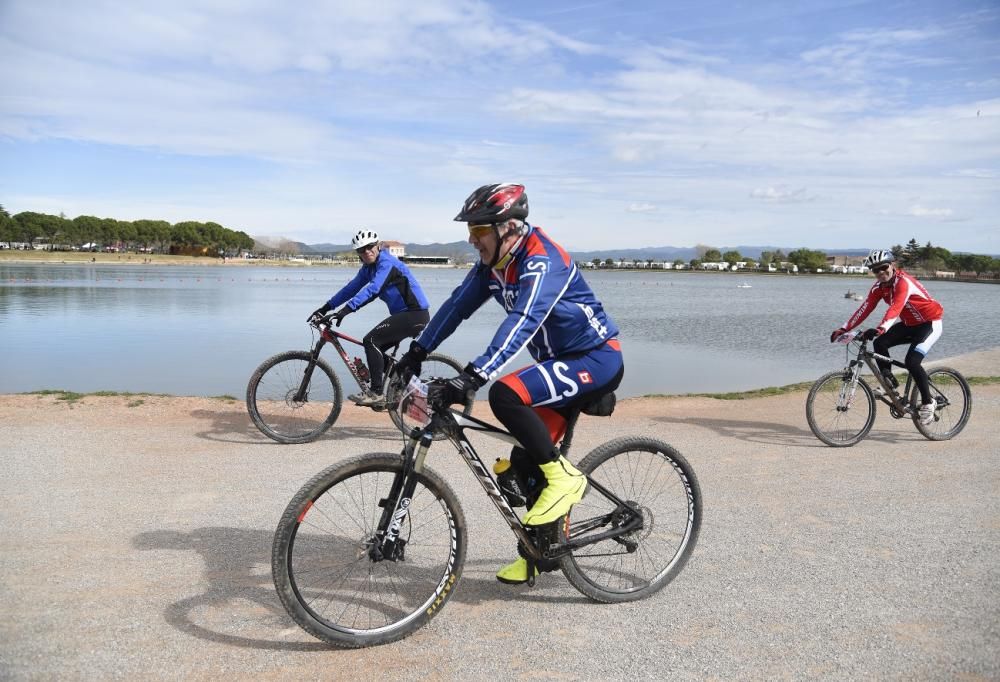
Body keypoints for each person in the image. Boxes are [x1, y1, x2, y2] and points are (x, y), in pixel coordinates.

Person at [394, 183, 623, 585]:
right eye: (470, 231)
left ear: (509, 228)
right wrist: (417, 351)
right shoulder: (495, 264)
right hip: (558, 363)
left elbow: (522, 321)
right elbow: (456, 307)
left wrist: (473, 376)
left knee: (504, 393)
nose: (471, 240)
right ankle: (537, 554)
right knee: (522, 466)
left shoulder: (541, 262)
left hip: (595, 358)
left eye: (479, 231)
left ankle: (567, 479)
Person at [310, 229, 430, 406]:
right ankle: (408, 388)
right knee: (377, 350)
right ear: (358, 253)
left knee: (371, 341)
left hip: (415, 313)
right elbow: (350, 289)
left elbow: (373, 289)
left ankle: (376, 393)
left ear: (378, 246)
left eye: (370, 247)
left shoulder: (387, 263)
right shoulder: (368, 269)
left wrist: (346, 310)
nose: (367, 252)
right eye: (361, 250)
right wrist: (325, 308)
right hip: (405, 315)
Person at [830, 249, 944, 425]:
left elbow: (895, 308)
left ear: (893, 265)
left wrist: (880, 328)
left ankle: (929, 402)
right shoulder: (878, 288)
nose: (881, 273)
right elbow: (865, 309)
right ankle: (890, 384)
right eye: (876, 270)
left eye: (884, 267)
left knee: (912, 362)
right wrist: (843, 328)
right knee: (880, 343)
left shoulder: (903, 282)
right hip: (909, 325)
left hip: (930, 323)